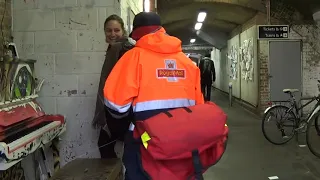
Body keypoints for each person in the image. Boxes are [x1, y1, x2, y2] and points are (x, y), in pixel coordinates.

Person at [103, 12, 204, 179]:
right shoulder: (188, 63)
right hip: (182, 142)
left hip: (143, 143)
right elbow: (198, 108)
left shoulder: (133, 58)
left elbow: (115, 105)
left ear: (136, 35)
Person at [92, 14, 135, 159]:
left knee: (105, 145)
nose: (112, 34)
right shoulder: (124, 47)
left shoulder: (120, 48)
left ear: (123, 31)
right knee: (126, 147)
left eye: (116, 30)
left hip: (117, 110)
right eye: (109, 30)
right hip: (124, 109)